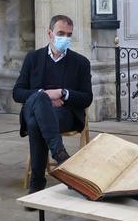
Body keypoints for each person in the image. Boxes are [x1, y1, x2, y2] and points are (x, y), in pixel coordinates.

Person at [13, 15, 93, 194]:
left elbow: (87, 97)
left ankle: (37, 182)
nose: (65, 38)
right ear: (49, 33)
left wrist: (62, 93)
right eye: (61, 33)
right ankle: (60, 155)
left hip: (64, 113)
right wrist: (45, 95)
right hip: (36, 110)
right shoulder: (32, 58)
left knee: (35, 123)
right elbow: (17, 93)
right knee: (40, 99)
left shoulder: (80, 63)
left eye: (69, 34)